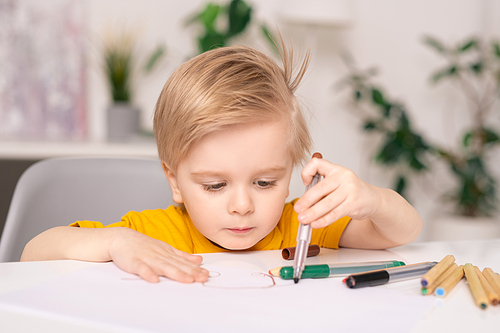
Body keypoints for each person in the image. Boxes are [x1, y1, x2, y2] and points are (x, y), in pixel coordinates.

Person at [21, 39, 422, 284]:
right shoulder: (154, 234)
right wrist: (114, 240)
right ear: (174, 180)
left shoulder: (299, 228)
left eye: (265, 182)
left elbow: (403, 231)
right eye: (215, 185)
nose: (242, 205)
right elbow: (33, 253)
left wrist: (373, 199)